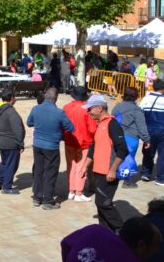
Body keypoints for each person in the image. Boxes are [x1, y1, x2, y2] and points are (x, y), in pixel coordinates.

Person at [79, 93, 129, 232]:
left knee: (104, 204)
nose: (88, 112)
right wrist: (84, 167)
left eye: (90, 109)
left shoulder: (112, 124)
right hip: (99, 171)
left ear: (99, 108)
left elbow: (122, 149)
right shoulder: (100, 124)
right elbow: (93, 148)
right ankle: (105, 233)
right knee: (100, 204)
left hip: (108, 172)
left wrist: (113, 170)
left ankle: (122, 231)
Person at [27, 87, 75, 209]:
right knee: (51, 172)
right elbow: (71, 128)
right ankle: (47, 200)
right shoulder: (59, 113)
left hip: (37, 145)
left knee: (38, 170)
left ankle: (37, 197)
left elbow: (29, 123)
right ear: (56, 98)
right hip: (51, 146)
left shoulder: (36, 108)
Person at [62, 86, 97, 202]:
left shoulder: (66, 107)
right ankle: (79, 192)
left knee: (71, 166)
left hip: (69, 140)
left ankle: (71, 191)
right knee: (81, 167)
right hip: (84, 142)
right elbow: (92, 129)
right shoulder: (87, 110)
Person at [112, 87, 151, 189]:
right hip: (131, 137)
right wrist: (146, 140)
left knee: (117, 156)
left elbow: (112, 120)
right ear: (136, 97)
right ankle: (127, 181)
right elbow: (141, 127)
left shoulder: (117, 107)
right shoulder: (137, 110)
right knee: (129, 158)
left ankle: (114, 175)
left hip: (117, 136)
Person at [0, 89, 25, 194]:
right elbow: (18, 129)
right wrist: (20, 143)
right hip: (11, 142)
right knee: (11, 164)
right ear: (11, 98)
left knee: (5, 162)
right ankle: (7, 187)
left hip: (1, 140)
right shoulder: (11, 112)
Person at [139, 79, 164, 185]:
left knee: (148, 152)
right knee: (162, 155)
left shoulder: (146, 98)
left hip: (148, 130)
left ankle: (146, 173)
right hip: (162, 130)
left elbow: (141, 113)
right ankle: (160, 178)